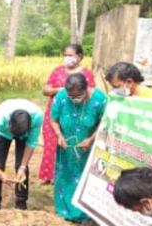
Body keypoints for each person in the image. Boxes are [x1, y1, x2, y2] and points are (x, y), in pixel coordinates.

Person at [50, 72, 107, 221]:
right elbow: (54, 119)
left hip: (88, 149)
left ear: (86, 89)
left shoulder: (99, 99)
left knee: (85, 179)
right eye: (71, 96)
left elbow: (105, 122)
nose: (75, 99)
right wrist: (59, 136)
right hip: (66, 148)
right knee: (65, 177)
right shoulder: (61, 96)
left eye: (78, 96)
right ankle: (64, 210)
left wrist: (91, 139)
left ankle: (84, 214)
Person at [40, 43, 96, 184]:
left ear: (80, 56)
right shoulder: (58, 71)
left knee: (71, 143)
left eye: (70, 55)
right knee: (51, 143)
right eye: (65, 55)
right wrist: (61, 90)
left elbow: (90, 94)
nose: (67, 58)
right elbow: (46, 90)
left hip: (75, 115)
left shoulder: (86, 74)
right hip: (54, 113)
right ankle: (50, 176)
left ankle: (67, 175)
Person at [0, 98, 43, 210]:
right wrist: (0, 174)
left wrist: (23, 167)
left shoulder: (37, 117)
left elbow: (32, 142)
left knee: (21, 166)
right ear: (9, 123)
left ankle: (21, 203)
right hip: (3, 133)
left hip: (25, 135)